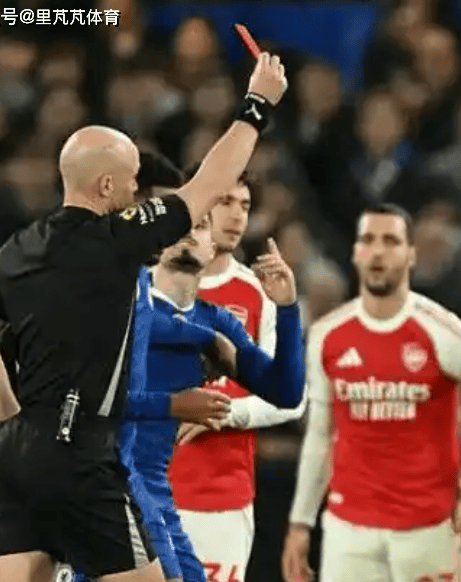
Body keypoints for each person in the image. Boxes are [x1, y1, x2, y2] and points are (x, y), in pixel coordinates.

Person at [0, 53, 288, 582]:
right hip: (81, 455)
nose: (137, 191)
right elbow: (208, 184)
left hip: (14, 458)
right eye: (132, 181)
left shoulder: (16, 248)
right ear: (107, 187)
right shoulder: (117, 237)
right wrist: (257, 104)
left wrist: (14, 421)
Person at [281, 202, 461, 582]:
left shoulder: (444, 332)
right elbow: (319, 437)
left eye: (391, 241)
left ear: (410, 254)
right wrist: (300, 523)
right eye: (369, 240)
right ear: (356, 252)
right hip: (348, 531)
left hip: (426, 531)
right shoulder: (327, 335)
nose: (378, 252)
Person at [169, 169, 307, 582]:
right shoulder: (149, 283)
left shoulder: (259, 294)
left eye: (245, 206)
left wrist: (226, 412)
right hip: (141, 490)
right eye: (225, 202)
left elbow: (294, 399)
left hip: (220, 499)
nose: (236, 215)